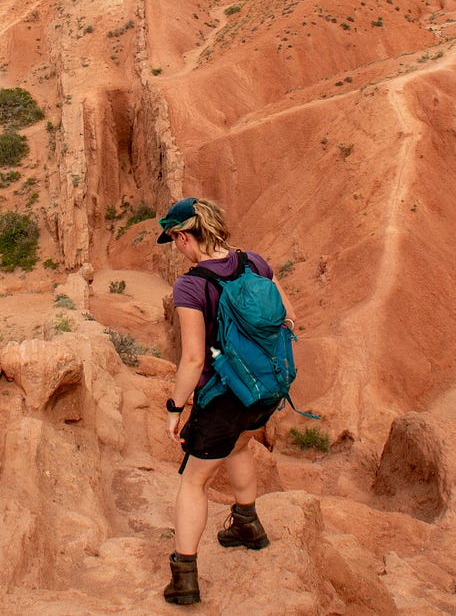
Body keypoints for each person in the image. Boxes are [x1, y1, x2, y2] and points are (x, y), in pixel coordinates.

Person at [157, 197, 295, 606]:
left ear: (184, 236)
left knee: (194, 481)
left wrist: (175, 407)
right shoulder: (255, 263)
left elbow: (194, 358)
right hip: (264, 392)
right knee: (239, 444)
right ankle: (247, 525)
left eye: (175, 240)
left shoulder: (191, 284)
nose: (177, 249)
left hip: (223, 398)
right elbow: (289, 315)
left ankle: (184, 577)